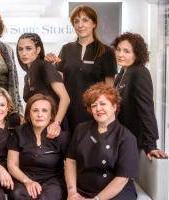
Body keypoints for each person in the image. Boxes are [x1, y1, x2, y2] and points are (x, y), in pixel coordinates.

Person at [45, 5, 117, 133]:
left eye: (85, 20)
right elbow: (58, 81)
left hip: (94, 114)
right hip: (68, 113)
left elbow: (110, 91)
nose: (80, 25)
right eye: (76, 21)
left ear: (94, 23)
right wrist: (48, 64)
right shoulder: (66, 49)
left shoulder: (106, 52)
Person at [65, 82, 138, 200]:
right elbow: (70, 161)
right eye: (94, 106)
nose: (98, 109)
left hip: (116, 192)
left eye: (103, 104)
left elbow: (122, 178)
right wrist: (72, 192)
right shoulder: (81, 129)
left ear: (114, 106)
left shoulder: (127, 137)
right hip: (82, 190)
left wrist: (97, 199)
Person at [112, 32, 168, 160]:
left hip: (132, 141)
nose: (120, 54)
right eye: (119, 50)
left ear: (136, 54)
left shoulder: (140, 72)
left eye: (126, 51)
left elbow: (146, 109)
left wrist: (151, 144)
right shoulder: (123, 72)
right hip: (120, 137)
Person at [7, 94, 68, 200]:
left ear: (51, 115)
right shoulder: (19, 132)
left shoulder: (61, 136)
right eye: (35, 110)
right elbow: (12, 165)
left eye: (44, 110)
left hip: (53, 180)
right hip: (25, 178)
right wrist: (27, 181)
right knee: (17, 194)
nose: (39, 114)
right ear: (28, 114)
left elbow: (71, 164)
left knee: (45, 198)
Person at [16, 33, 70, 138]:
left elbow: (65, 98)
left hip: (53, 128)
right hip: (38, 127)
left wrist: (56, 123)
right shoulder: (27, 75)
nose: (23, 53)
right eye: (20, 49)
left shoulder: (45, 66)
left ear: (38, 50)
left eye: (28, 48)